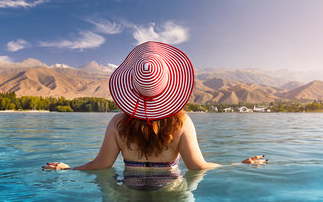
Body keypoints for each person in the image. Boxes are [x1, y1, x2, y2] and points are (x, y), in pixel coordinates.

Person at [42, 41, 267, 172]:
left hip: (129, 195)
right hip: (171, 195)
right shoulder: (182, 122)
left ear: (132, 86)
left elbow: (101, 165)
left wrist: (67, 169)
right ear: (171, 86)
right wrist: (240, 164)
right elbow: (198, 167)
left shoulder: (118, 123)